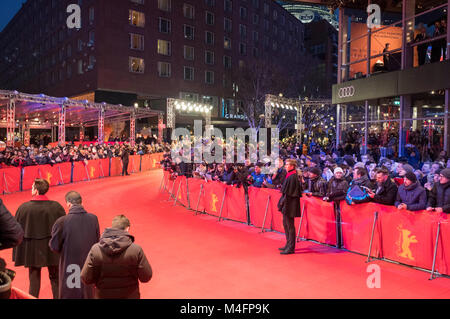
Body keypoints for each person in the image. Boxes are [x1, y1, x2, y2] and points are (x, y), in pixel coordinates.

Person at [13, 179, 66, 298]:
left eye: (32, 187)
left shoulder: (23, 208)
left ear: (36, 191)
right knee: (55, 278)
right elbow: (64, 227)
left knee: (34, 279)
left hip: (32, 250)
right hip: (53, 248)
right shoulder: (56, 207)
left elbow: (17, 230)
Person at [81, 215, 153, 299]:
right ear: (127, 228)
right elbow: (146, 277)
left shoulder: (95, 249)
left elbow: (86, 278)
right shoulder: (136, 250)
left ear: (113, 227)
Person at [49, 191, 100, 299]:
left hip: (70, 267)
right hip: (89, 265)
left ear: (68, 204)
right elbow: (97, 242)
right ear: (82, 202)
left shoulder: (61, 221)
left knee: (71, 294)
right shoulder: (93, 219)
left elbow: (54, 246)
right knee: (88, 294)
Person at [277, 159, 302, 255]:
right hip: (287, 204)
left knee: (290, 226)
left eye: (287, 164)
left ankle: (291, 247)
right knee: (286, 225)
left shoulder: (293, 176)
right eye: (286, 164)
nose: (285, 166)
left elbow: (289, 193)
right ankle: (288, 244)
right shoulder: (290, 175)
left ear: (292, 166)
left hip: (290, 205)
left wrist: (283, 204)